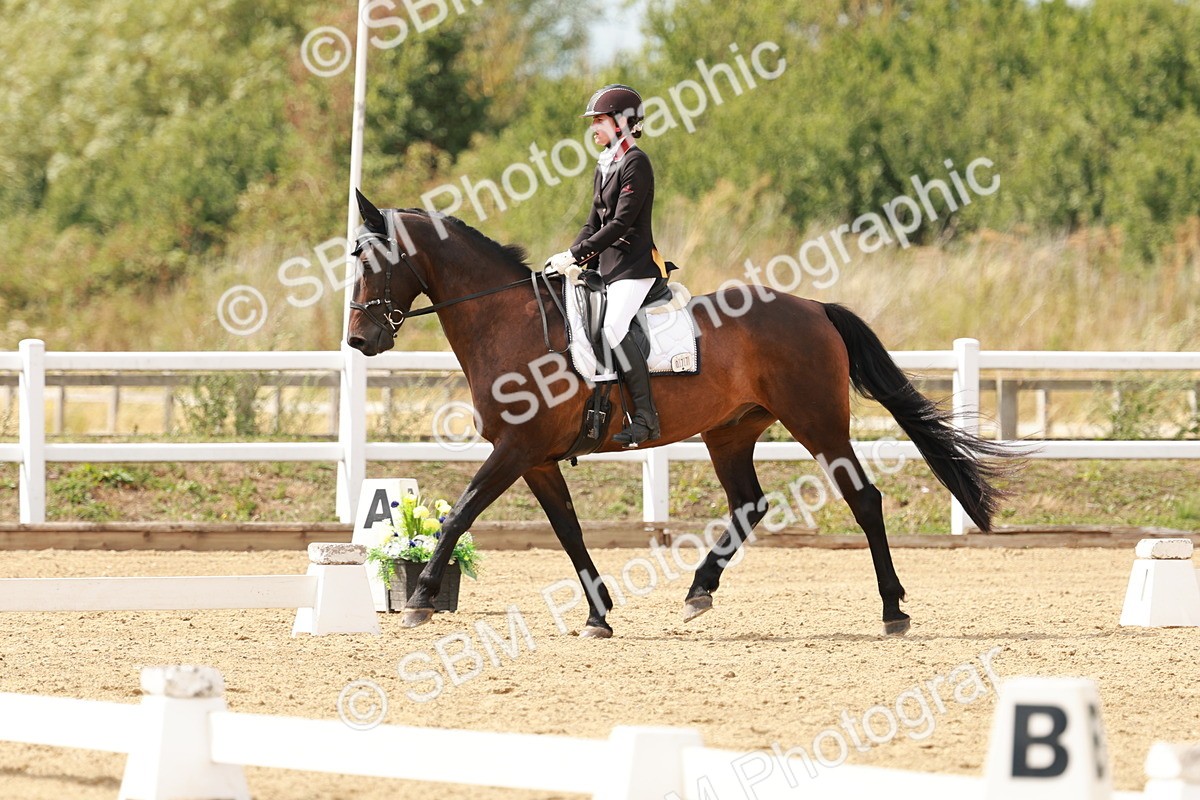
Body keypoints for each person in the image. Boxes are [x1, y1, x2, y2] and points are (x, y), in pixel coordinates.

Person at [544, 84, 666, 447]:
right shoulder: (606, 163)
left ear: (621, 122)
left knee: (613, 327)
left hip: (633, 268)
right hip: (606, 268)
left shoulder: (636, 163)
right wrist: (569, 256)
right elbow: (593, 223)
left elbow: (620, 224)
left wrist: (578, 255)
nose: (593, 127)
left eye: (598, 120)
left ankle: (646, 417)